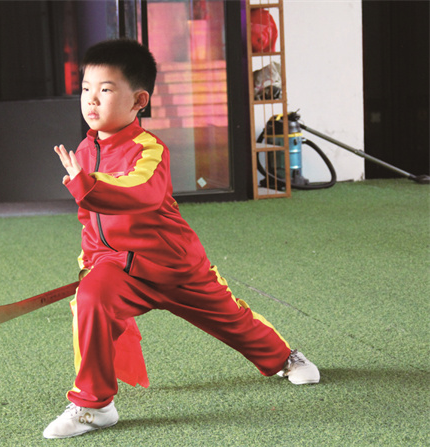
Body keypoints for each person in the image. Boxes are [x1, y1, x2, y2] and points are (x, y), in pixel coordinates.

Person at [45, 39, 319, 439]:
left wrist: (87, 185)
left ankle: (285, 358)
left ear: (139, 100)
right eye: (86, 88)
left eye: (105, 89)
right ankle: (94, 405)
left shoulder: (149, 149)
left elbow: (141, 193)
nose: (91, 99)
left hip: (174, 267)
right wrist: (91, 261)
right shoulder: (84, 151)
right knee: (90, 299)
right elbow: (91, 220)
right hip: (121, 269)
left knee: (234, 322)